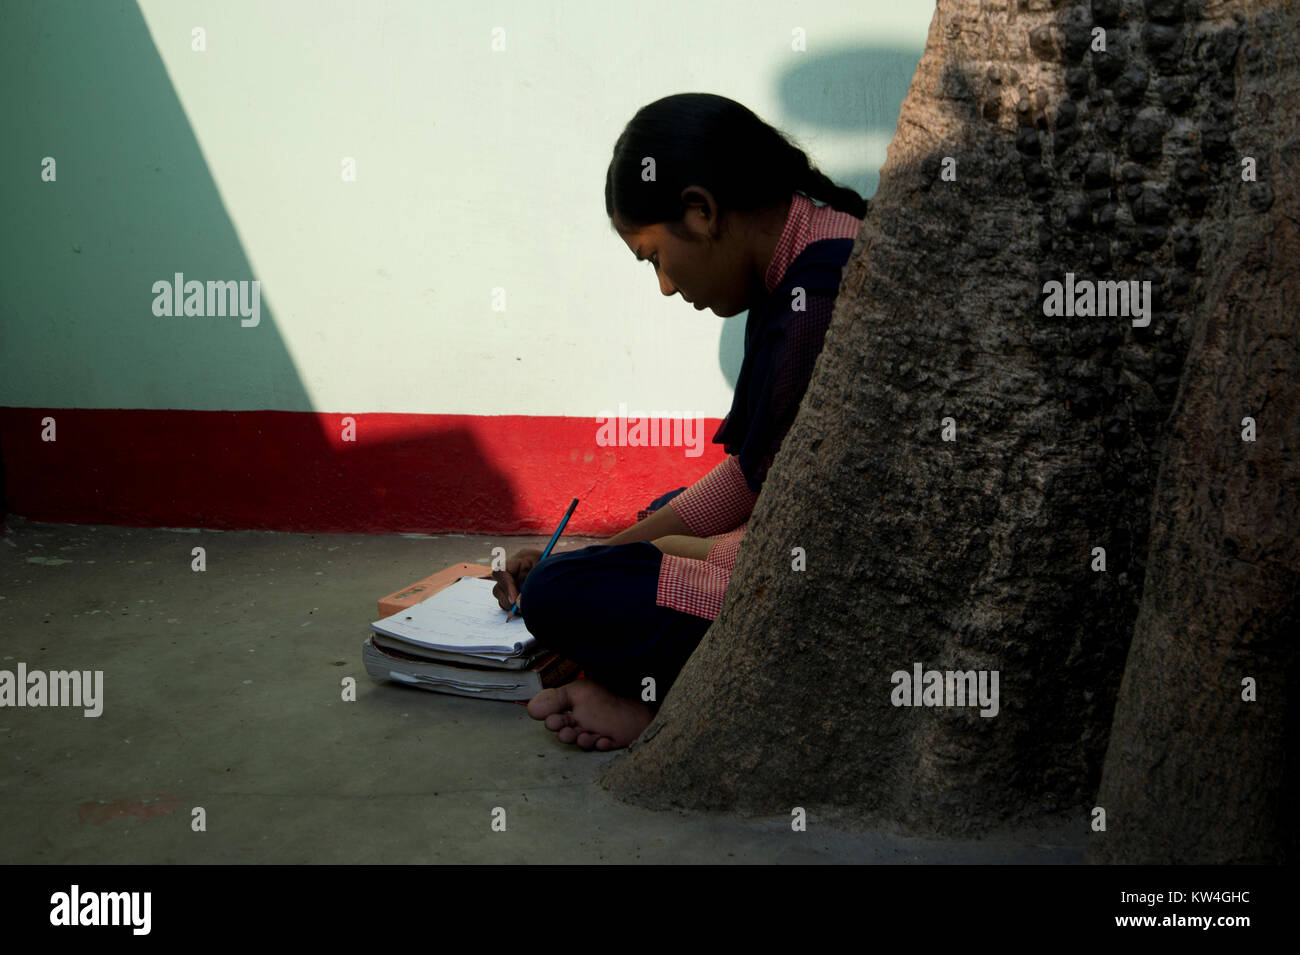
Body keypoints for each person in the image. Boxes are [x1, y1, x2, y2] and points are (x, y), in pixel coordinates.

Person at [491, 92, 867, 750]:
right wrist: (619, 549)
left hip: (819, 599)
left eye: (654, 257)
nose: (665, 286)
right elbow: (753, 479)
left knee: (558, 595)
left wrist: (624, 558)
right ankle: (628, 677)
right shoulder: (812, 247)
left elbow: (782, 536)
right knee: (653, 518)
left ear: (701, 211)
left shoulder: (815, 305)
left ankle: (660, 702)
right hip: (786, 541)